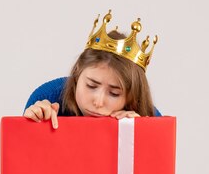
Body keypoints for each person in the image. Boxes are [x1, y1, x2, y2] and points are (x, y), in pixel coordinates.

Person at [24, 10, 162, 129]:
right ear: (77, 73)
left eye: (114, 93)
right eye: (91, 85)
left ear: (131, 97)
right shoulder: (46, 97)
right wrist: (31, 124)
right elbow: (22, 156)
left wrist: (140, 135)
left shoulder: (150, 118)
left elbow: (161, 158)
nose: (98, 102)